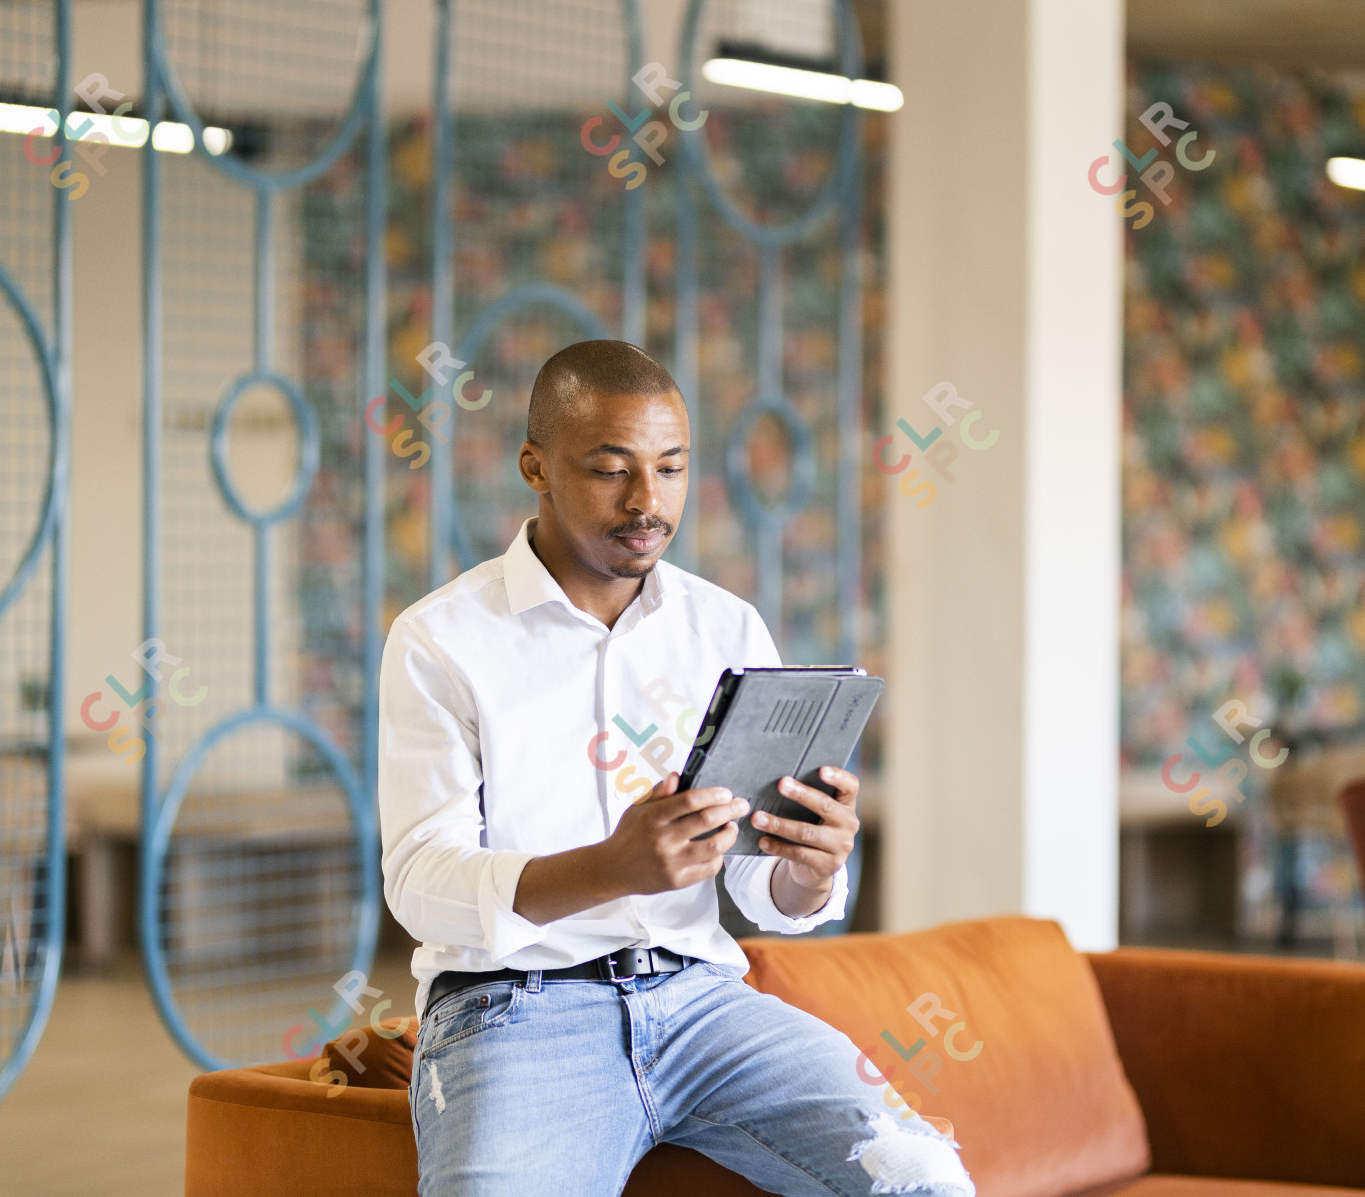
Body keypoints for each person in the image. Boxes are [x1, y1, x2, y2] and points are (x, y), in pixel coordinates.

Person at [378, 339, 975, 1196]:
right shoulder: (442, 640)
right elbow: (420, 883)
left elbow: (757, 882)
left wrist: (809, 870)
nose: (646, 502)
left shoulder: (724, 629)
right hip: (513, 1012)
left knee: (927, 1181)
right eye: (611, 469)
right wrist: (610, 869)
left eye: (670, 468)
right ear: (534, 467)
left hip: (703, 1005)